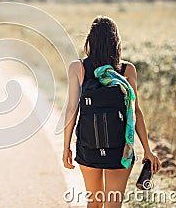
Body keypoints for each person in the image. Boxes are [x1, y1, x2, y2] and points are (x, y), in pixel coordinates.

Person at [62, 15, 161, 208]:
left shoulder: (78, 68)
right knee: (113, 205)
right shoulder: (127, 70)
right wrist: (147, 150)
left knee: (94, 203)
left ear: (90, 40)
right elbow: (136, 112)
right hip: (120, 149)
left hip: (88, 146)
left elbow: (71, 110)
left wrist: (66, 147)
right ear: (116, 42)